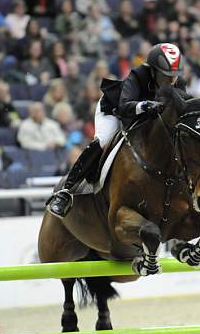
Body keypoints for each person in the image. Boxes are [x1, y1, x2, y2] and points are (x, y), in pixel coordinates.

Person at [46, 42, 187, 218]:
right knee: (103, 141)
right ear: (153, 70)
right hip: (114, 110)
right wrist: (144, 105)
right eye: (166, 76)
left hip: (146, 119)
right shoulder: (138, 75)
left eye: (174, 76)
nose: (172, 81)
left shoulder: (177, 81)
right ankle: (66, 192)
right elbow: (124, 106)